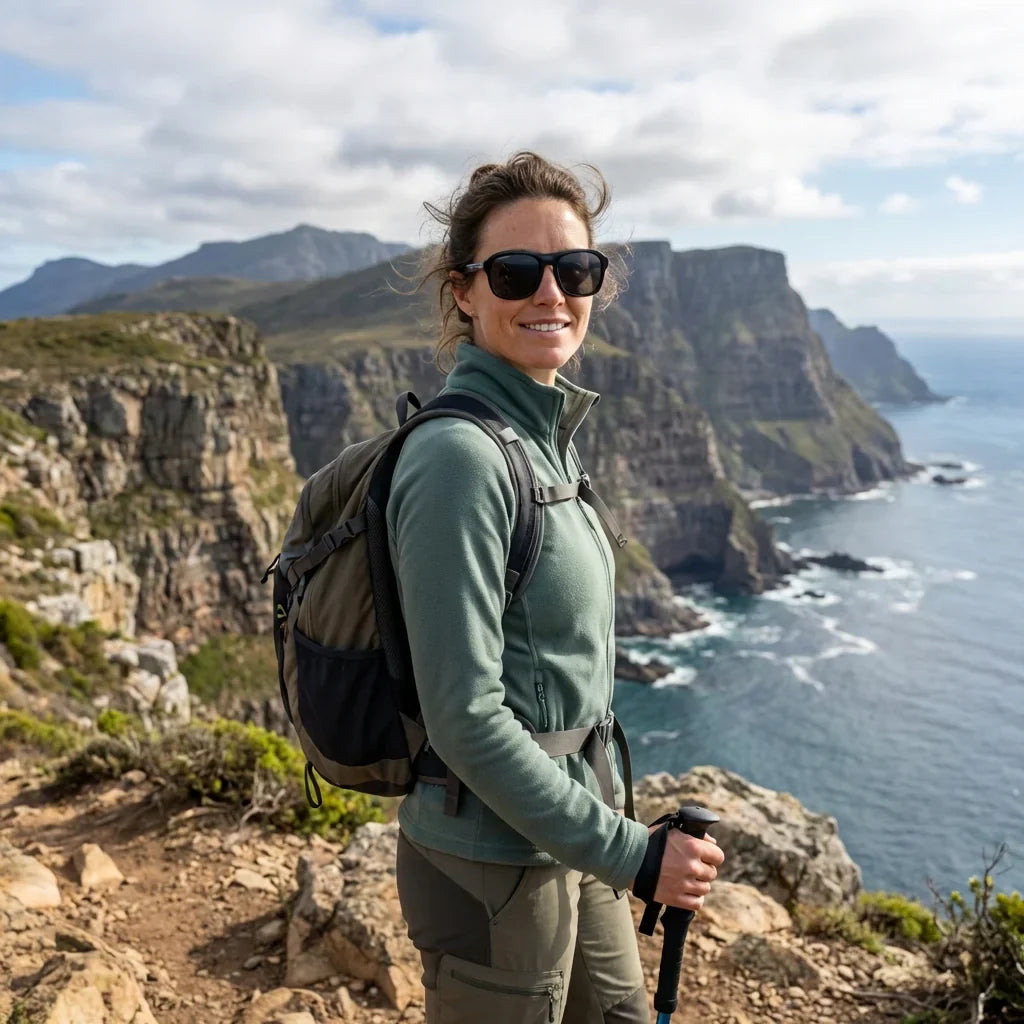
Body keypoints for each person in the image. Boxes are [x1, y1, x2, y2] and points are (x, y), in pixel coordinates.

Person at [387, 151, 725, 1024]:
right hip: (493, 864)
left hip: (572, 828)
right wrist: (635, 855)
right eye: (515, 271)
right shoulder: (462, 459)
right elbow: (464, 716)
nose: (550, 293)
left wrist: (613, 840)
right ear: (464, 292)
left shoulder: (542, 436)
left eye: (574, 269)